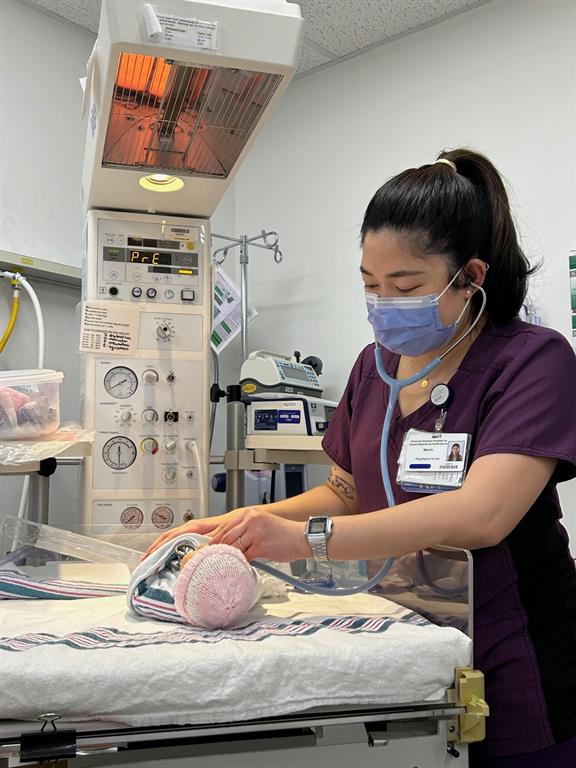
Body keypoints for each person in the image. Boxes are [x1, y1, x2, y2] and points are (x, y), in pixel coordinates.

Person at [146, 149, 576, 766]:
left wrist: (306, 541)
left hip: (517, 653)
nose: (381, 303)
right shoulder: (374, 371)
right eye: (370, 286)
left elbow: (483, 515)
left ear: (471, 277)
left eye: (405, 286)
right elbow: (347, 490)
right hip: (408, 642)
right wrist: (241, 527)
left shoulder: (533, 361)